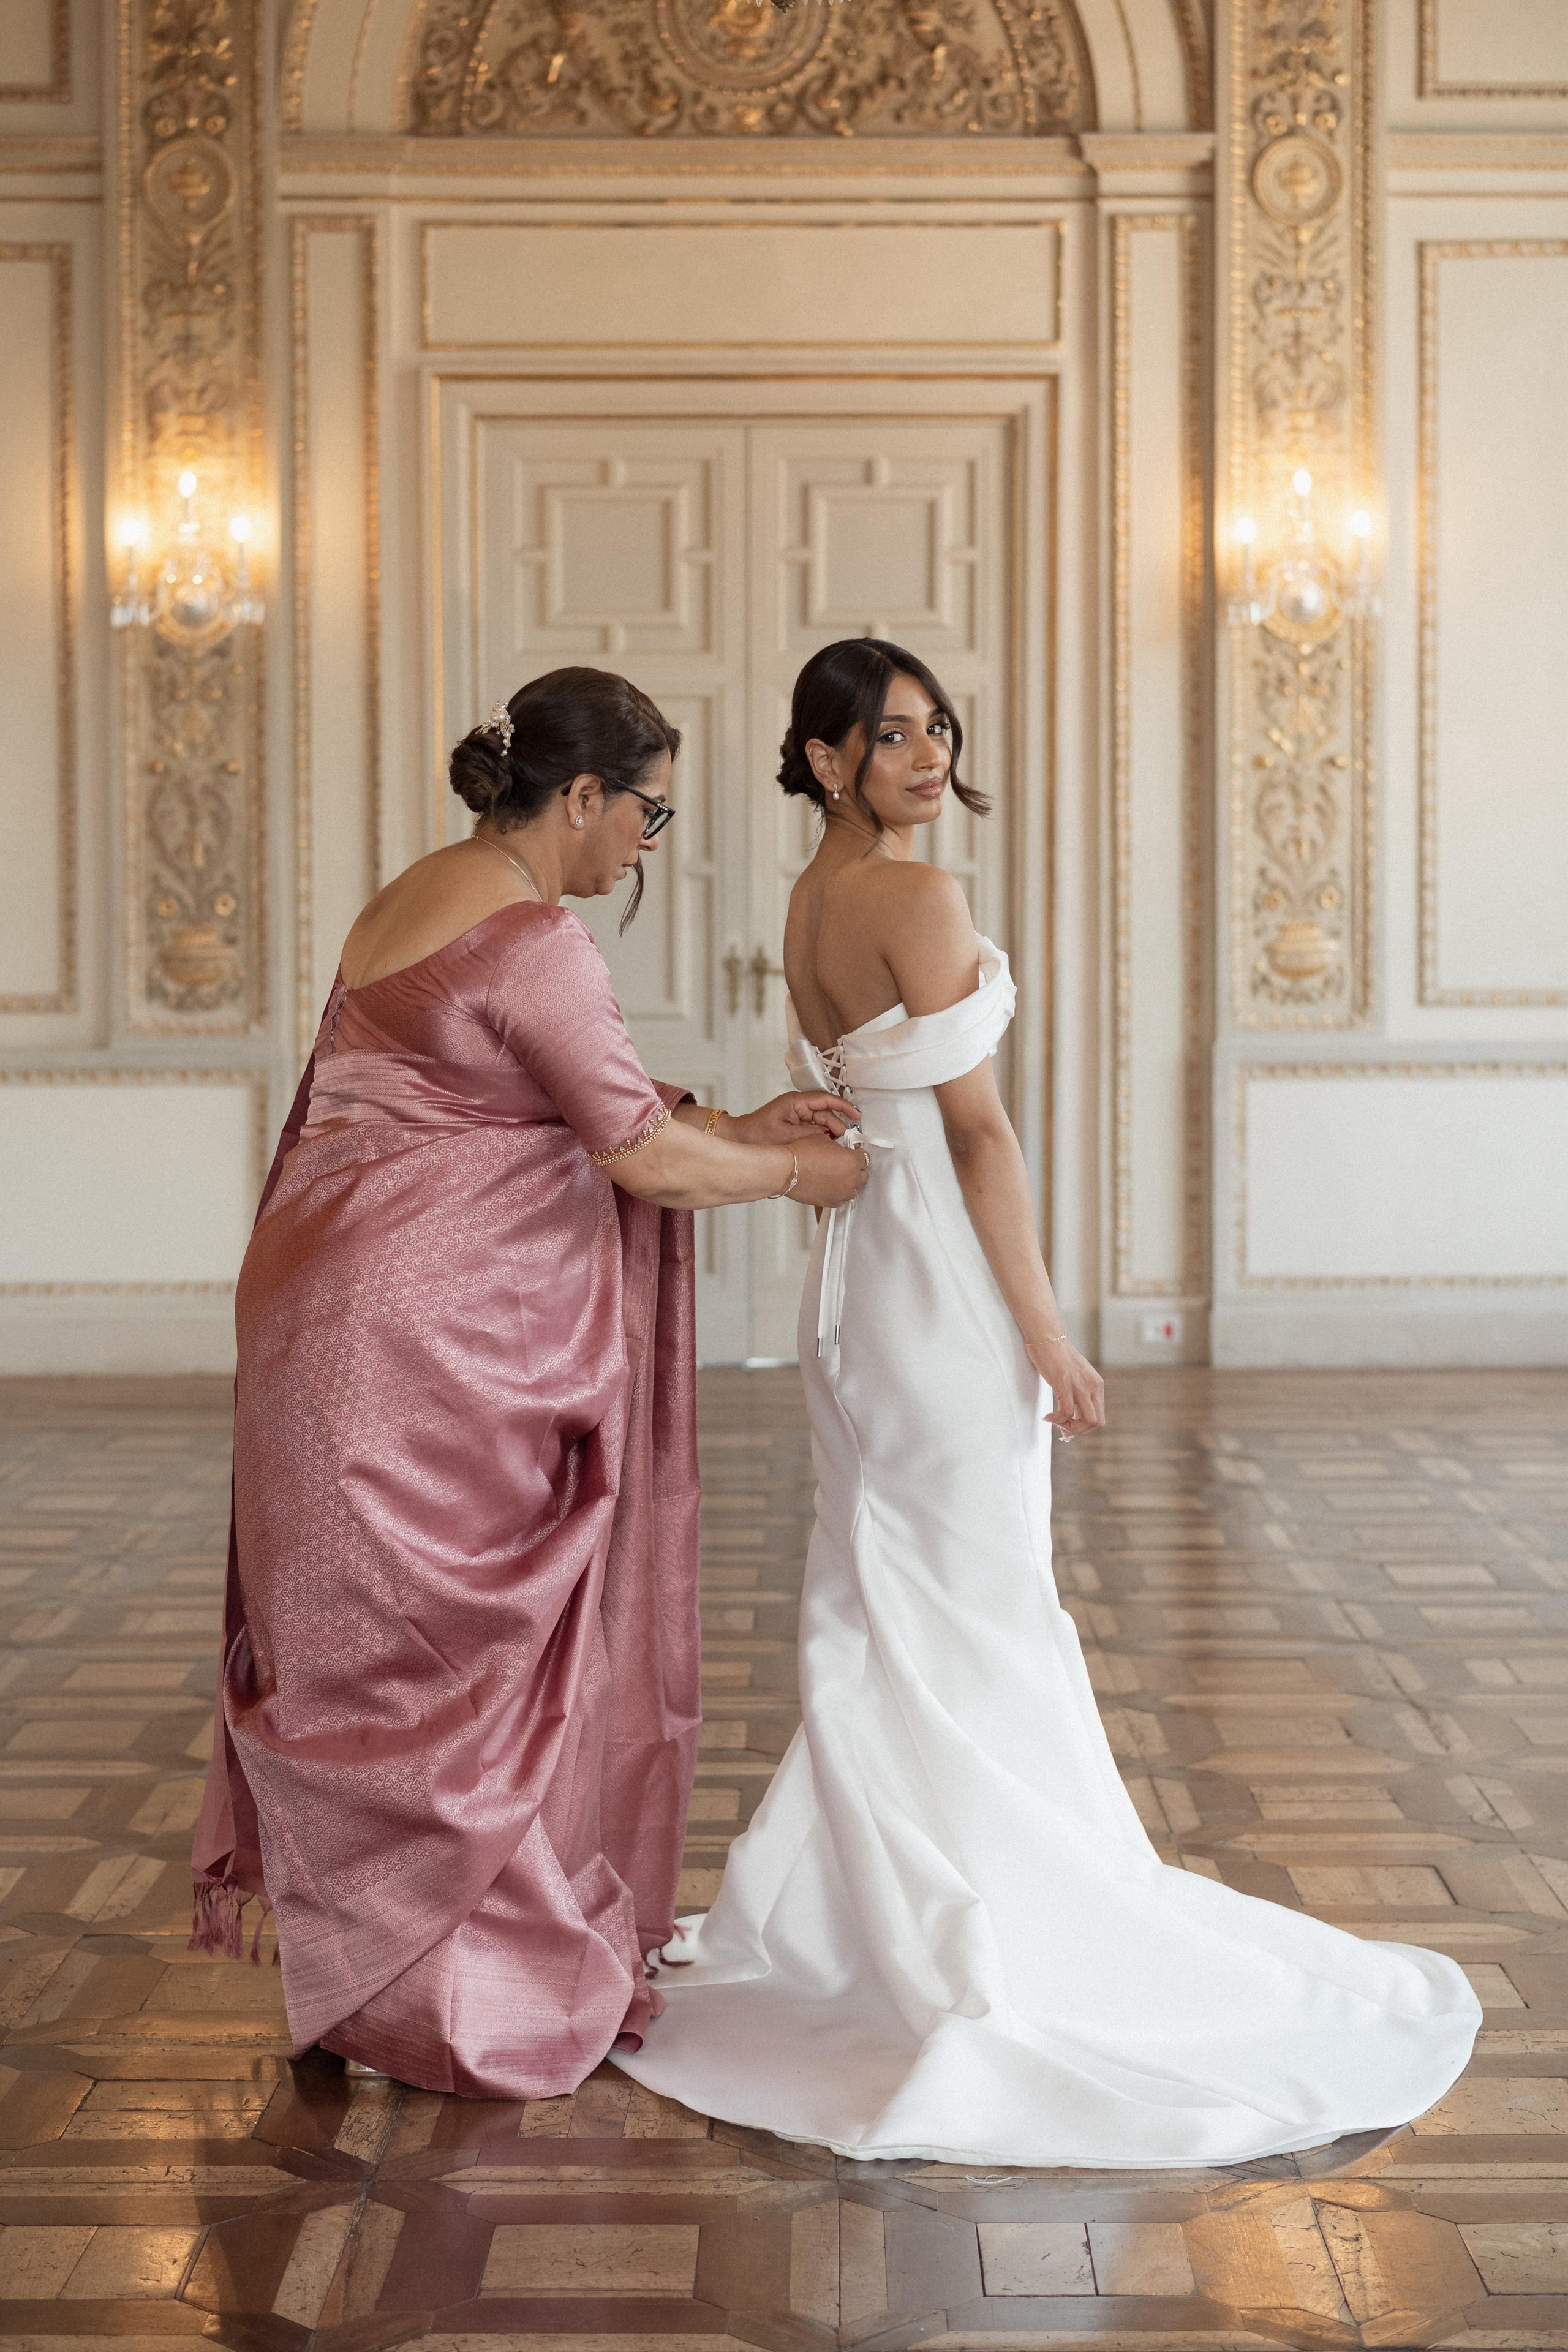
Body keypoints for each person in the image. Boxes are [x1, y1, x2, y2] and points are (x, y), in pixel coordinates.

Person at [612, 637, 1480, 2166]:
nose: (925, 757)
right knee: (980, 1596)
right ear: (822, 759)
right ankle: (1001, 1919)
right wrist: (1048, 1334)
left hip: (847, 1285)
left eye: (936, 729)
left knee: (890, 1593)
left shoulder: (811, 900)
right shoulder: (916, 896)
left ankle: (875, 1916)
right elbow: (977, 1139)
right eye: (888, 739)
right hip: (934, 1283)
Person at [189, 665, 867, 2100]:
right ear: (580, 797)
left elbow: (510, 1097)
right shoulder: (535, 938)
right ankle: (452, 2006)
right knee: (456, 1660)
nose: (644, 844)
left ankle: (382, 1986)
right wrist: (808, 1170)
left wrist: (733, 1119)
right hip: (421, 1354)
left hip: (316, 1329)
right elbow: (638, 1157)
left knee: (364, 1663)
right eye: (649, 813)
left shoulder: (414, 894)